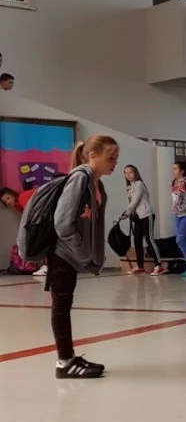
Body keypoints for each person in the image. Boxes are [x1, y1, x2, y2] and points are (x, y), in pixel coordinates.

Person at [47, 134, 118, 378]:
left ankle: (68, 358)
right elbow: (62, 222)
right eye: (110, 157)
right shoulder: (80, 177)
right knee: (61, 306)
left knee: (64, 305)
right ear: (92, 155)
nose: (114, 162)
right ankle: (64, 363)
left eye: (116, 157)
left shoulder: (96, 183)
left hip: (70, 254)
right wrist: (81, 250)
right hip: (62, 253)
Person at [121, 165, 163, 275]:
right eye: (126, 173)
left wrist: (126, 213)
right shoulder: (129, 187)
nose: (128, 175)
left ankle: (158, 265)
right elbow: (132, 203)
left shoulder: (139, 184)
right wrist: (129, 213)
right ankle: (140, 267)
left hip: (147, 215)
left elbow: (135, 201)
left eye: (130, 172)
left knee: (149, 239)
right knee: (137, 240)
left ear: (135, 173)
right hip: (138, 217)